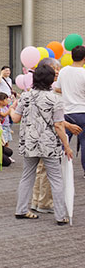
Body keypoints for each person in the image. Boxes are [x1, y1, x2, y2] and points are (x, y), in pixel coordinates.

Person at [10, 64, 73, 225]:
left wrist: (11, 109)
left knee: (27, 176)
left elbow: (15, 119)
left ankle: (22, 209)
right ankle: (60, 216)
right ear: (51, 80)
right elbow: (59, 125)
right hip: (49, 144)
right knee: (56, 179)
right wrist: (66, 146)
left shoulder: (25, 96)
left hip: (29, 142)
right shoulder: (56, 100)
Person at [55, 45, 85, 176]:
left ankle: (57, 169)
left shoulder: (63, 71)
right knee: (84, 144)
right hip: (82, 111)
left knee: (63, 141)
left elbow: (57, 88)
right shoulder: (84, 73)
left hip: (66, 113)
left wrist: (68, 92)